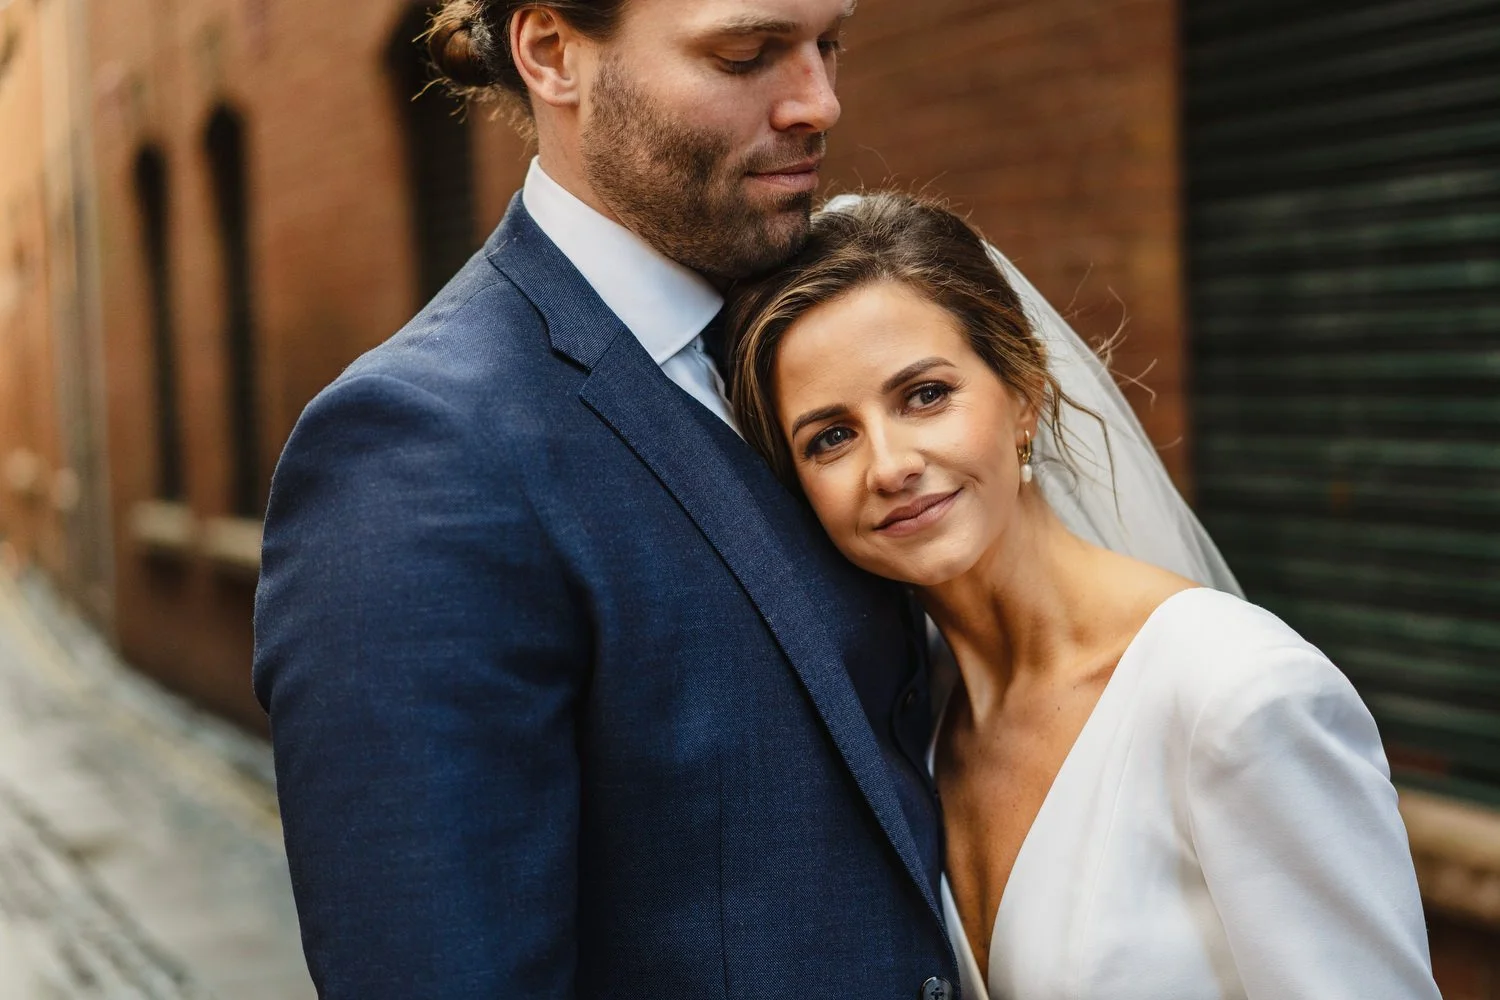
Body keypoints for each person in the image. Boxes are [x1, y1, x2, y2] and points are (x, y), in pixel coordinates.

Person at [252, 2, 959, 997]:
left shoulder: (823, 335)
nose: (819, 103)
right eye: (748, 53)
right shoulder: (414, 454)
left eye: (829, 44)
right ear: (552, 55)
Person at [724, 192, 1443, 1000]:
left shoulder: (1237, 691)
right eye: (831, 437)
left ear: (1023, 391)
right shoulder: (915, 725)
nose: (888, 465)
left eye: (924, 395)